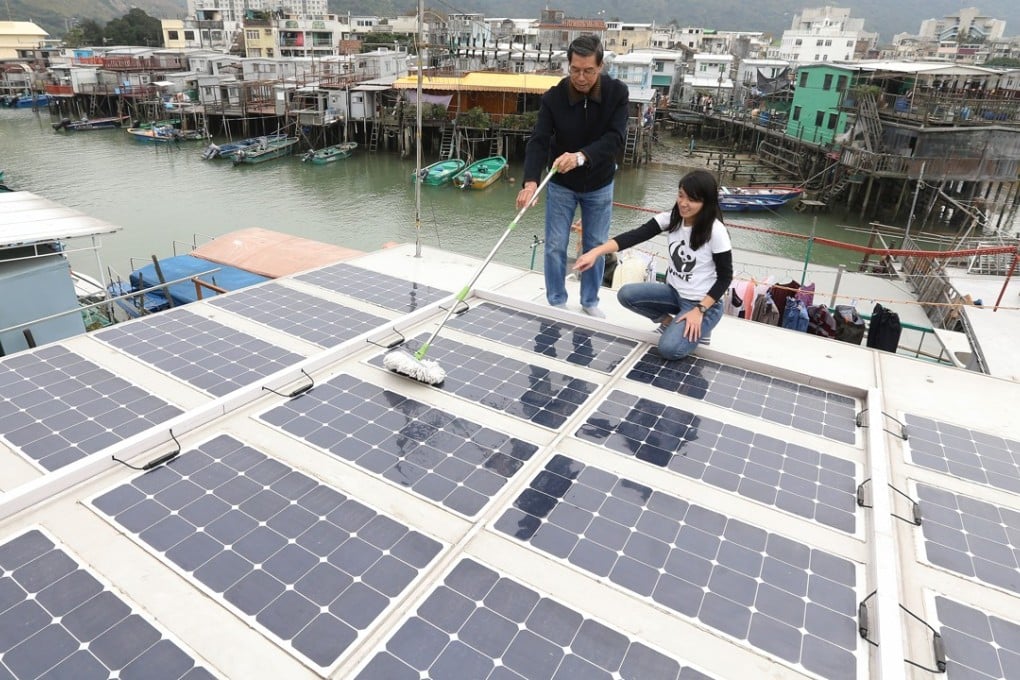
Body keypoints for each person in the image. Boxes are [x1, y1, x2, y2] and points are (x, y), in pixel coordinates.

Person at [516, 34, 629, 318]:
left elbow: (615, 138)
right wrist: (530, 182)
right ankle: (556, 301)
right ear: (568, 65)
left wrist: (580, 157)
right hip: (562, 184)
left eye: (588, 71)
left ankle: (590, 300)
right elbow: (539, 140)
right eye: (575, 70)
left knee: (594, 246)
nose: (581, 77)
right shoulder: (554, 98)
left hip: (599, 183)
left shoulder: (617, 93)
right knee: (555, 244)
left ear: (600, 66)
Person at [573, 169, 733, 360]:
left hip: (704, 303)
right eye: (681, 195)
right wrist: (595, 252)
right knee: (626, 294)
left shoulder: (716, 231)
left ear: (706, 202)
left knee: (669, 349)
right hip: (674, 294)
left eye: (691, 200)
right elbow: (634, 236)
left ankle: (701, 327)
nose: (683, 203)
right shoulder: (672, 219)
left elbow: (725, 277)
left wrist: (699, 311)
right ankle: (669, 323)